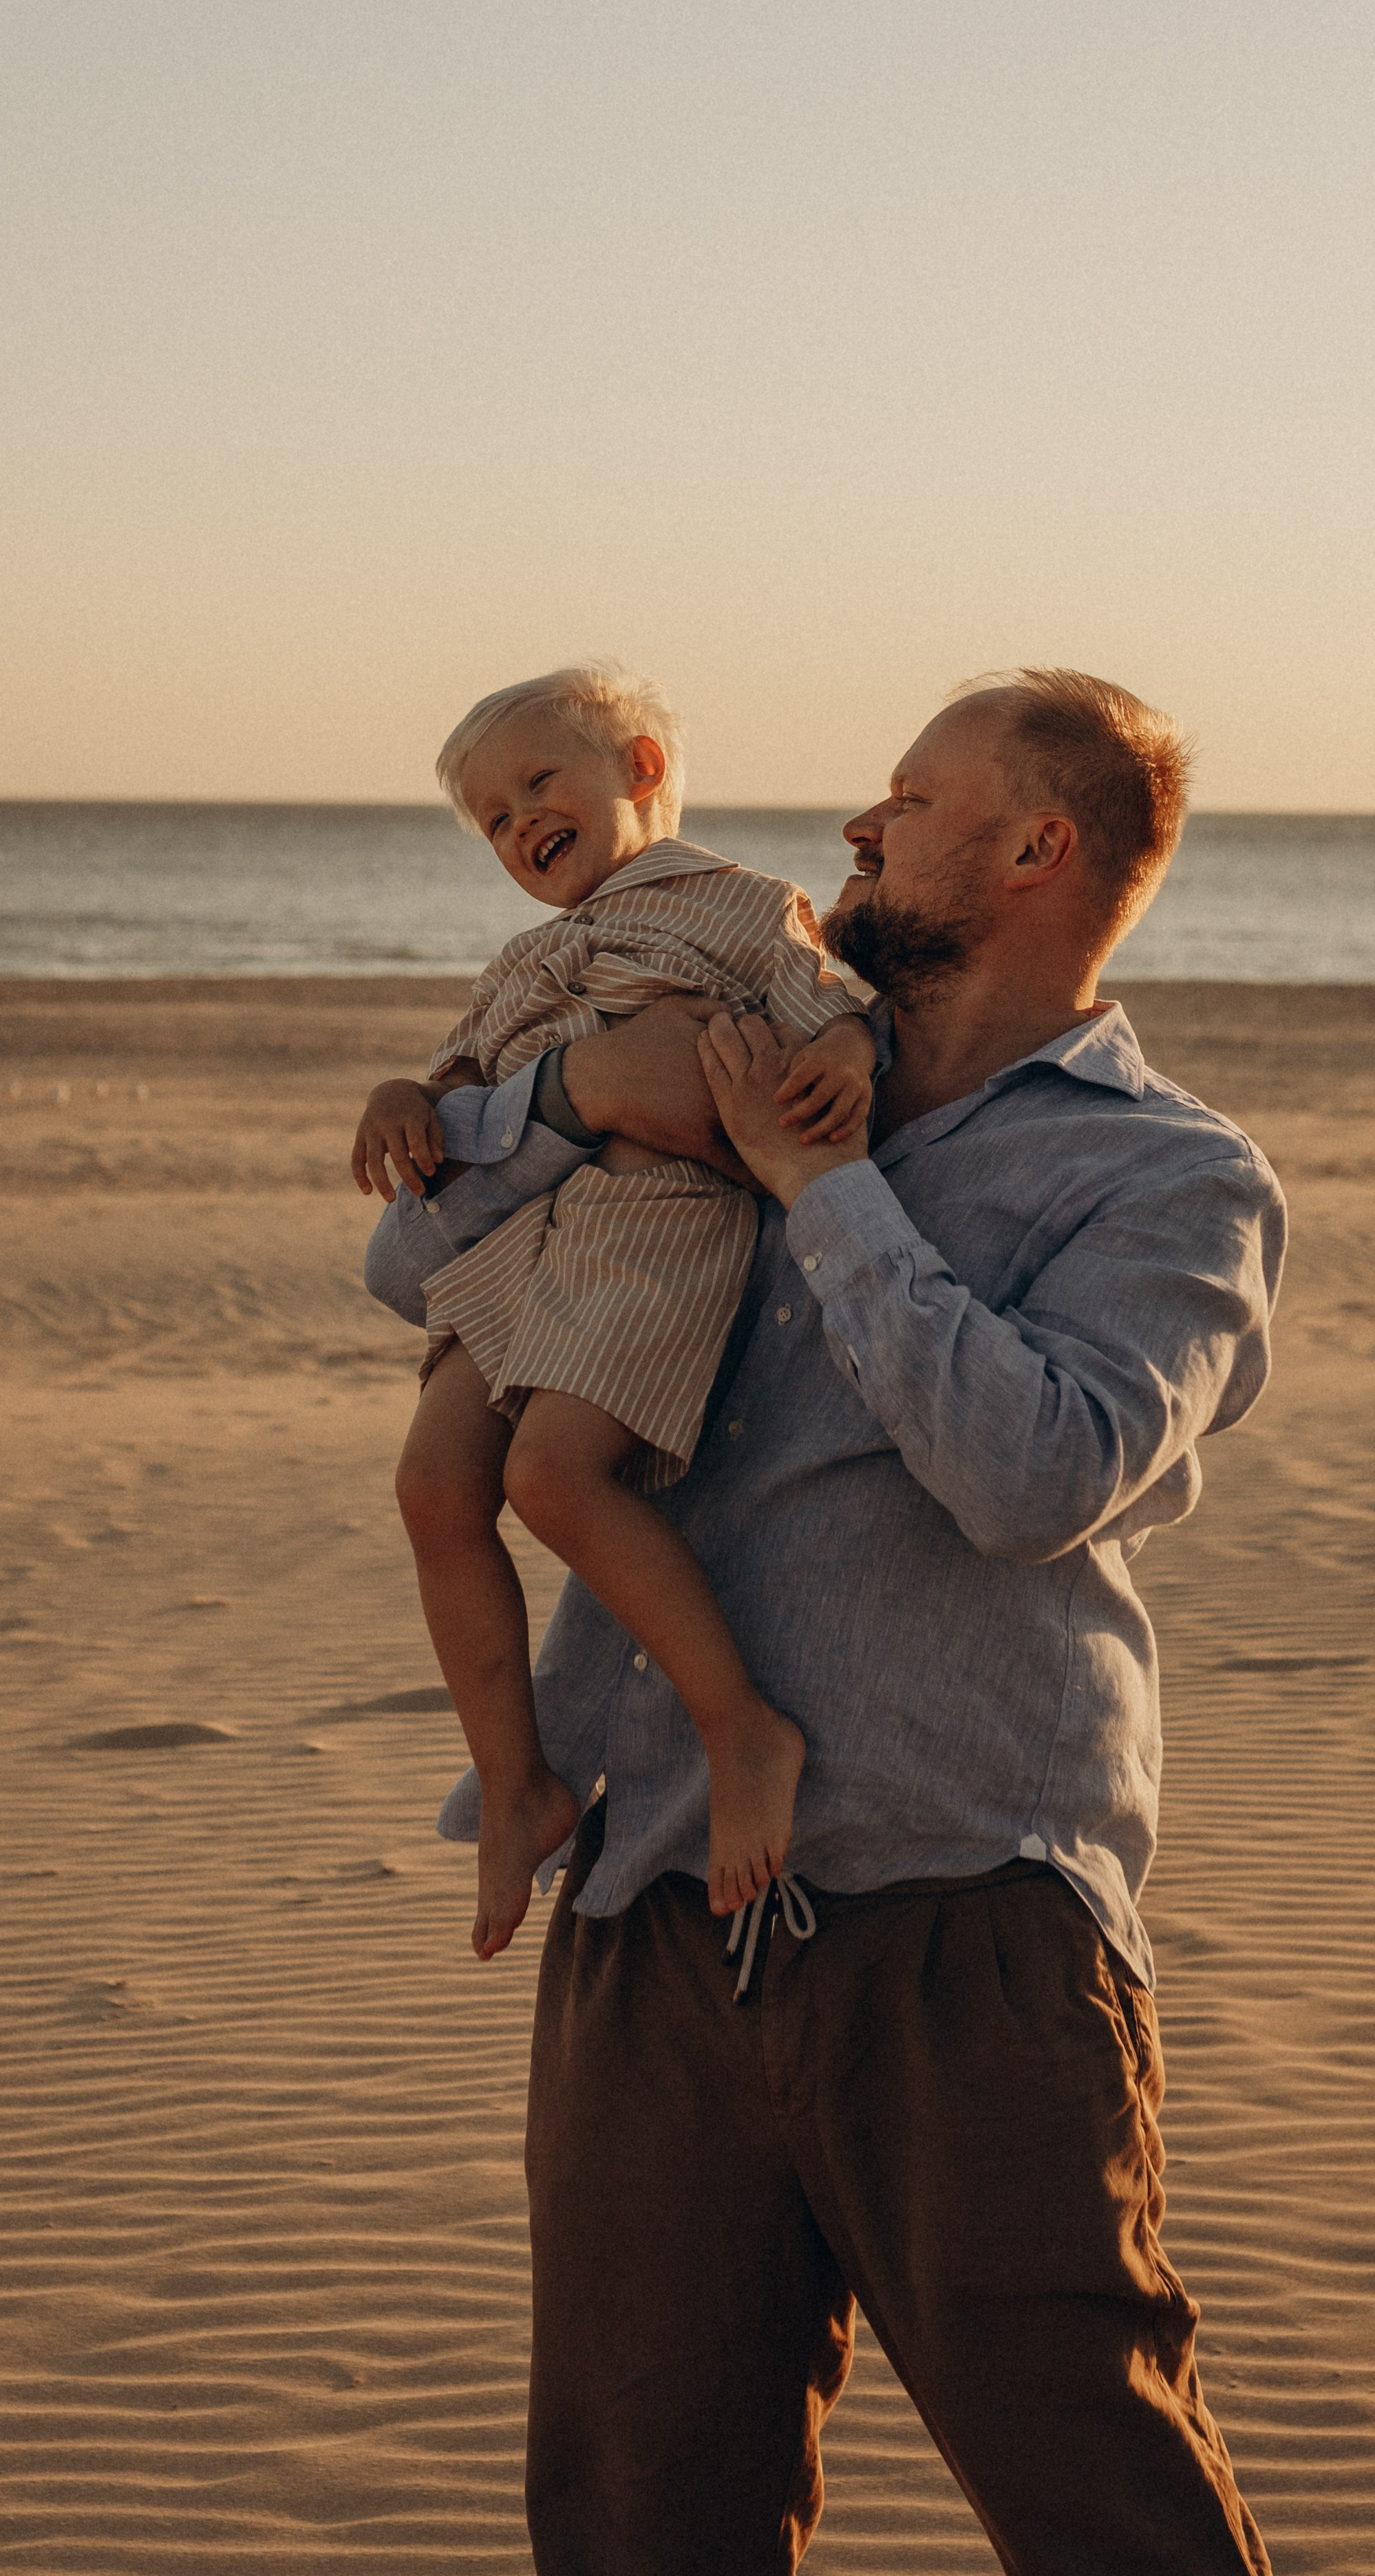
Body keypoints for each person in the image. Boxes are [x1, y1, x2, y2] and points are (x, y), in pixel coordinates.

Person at [365, 666, 1283, 2573]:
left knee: (1104, 2505)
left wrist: (835, 1192)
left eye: (909, 798)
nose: (855, 827)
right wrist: (551, 1098)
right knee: (636, 2521)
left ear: (1037, 848)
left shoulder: (1165, 1175)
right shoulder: (715, 1050)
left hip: (960, 1927)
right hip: (650, 1914)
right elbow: (408, 1259)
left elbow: (1041, 1475)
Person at [352, 663, 876, 1962]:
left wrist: (849, 1059)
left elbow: (846, 1013)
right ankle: (518, 1781)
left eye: (540, 782)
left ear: (639, 771)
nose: (519, 821)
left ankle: (737, 1722)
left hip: (652, 1235)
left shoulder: (745, 908)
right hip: (520, 1253)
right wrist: (400, 1095)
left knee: (553, 1475)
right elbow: (462, 1078)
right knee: (430, 1483)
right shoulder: (525, 959)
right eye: (491, 818)